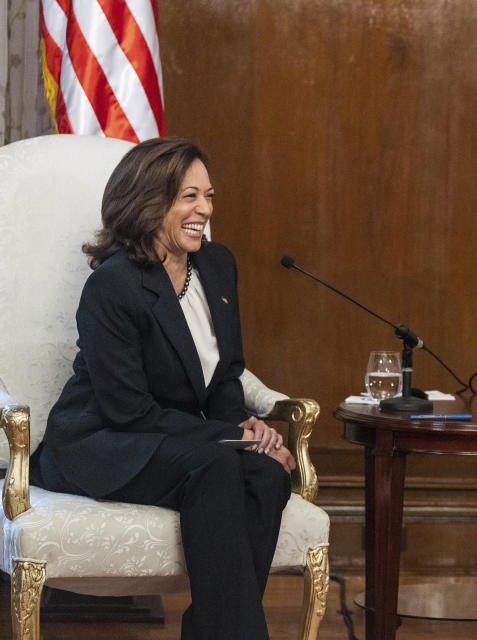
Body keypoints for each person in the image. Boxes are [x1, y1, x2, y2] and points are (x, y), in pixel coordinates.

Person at [30, 137, 297, 640]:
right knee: (220, 461)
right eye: (189, 197)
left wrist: (247, 428)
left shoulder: (217, 266)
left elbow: (225, 373)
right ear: (149, 203)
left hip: (172, 438)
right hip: (102, 440)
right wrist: (232, 439)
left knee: (265, 475)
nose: (205, 210)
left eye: (209, 196)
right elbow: (127, 410)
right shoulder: (114, 285)